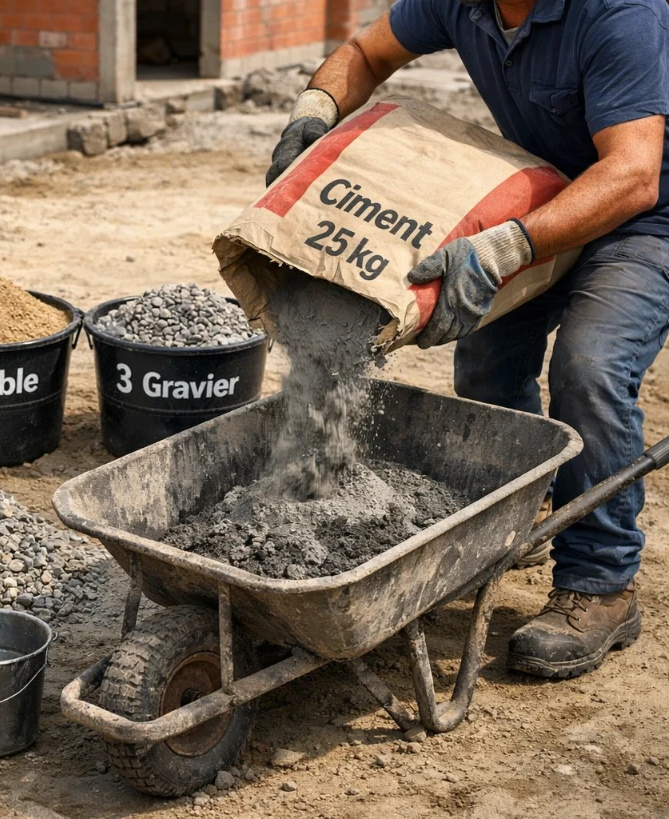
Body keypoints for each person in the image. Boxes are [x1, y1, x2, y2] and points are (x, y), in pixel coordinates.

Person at [266, 0, 669, 679]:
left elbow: (633, 174)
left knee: (589, 366)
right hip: (545, 194)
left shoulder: (619, 13)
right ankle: (522, 507)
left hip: (642, 224)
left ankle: (601, 583)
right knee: (484, 358)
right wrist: (313, 111)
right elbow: (366, 54)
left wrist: (505, 246)